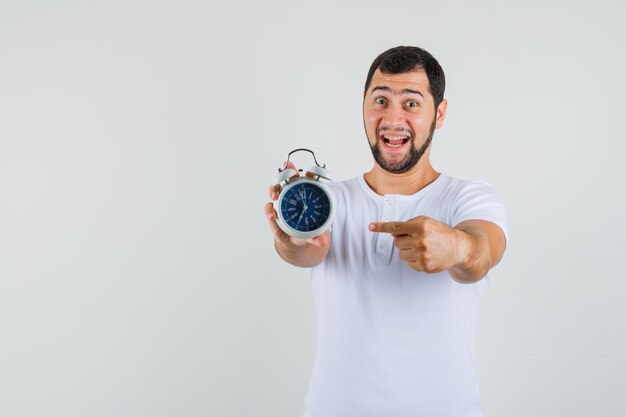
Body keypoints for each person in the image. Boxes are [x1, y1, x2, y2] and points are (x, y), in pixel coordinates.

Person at [264, 46, 508, 417]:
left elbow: (482, 254)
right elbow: (304, 251)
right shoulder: (329, 200)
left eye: (411, 103)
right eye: (381, 100)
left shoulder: (469, 197)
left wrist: (455, 247)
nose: (392, 119)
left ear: (439, 113)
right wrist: (293, 235)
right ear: (363, 106)